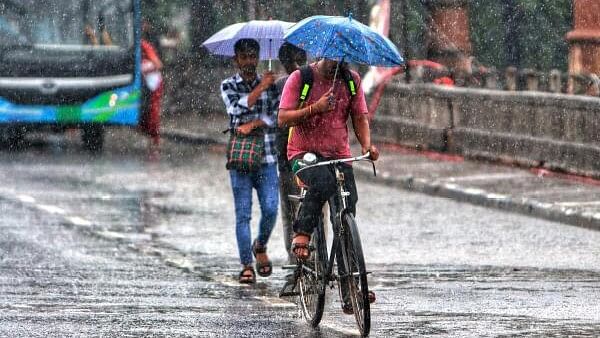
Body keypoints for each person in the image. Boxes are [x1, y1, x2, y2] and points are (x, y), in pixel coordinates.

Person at [278, 58, 379, 313]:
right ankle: (302, 232)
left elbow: (359, 117)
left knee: (346, 211)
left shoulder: (351, 80)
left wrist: (367, 146)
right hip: (303, 154)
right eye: (333, 58)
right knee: (322, 183)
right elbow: (283, 118)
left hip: (339, 154)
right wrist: (315, 108)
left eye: (342, 59)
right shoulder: (301, 79)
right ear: (322, 54)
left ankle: (351, 288)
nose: (337, 64)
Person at [221, 38, 279, 284]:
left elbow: (277, 116)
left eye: (252, 56)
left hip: (267, 157)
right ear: (236, 60)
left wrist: (256, 123)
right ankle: (246, 264)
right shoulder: (228, 85)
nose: (249, 62)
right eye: (244, 57)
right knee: (242, 214)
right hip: (241, 159)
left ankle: (261, 245)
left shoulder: (272, 85)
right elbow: (236, 110)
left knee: (270, 208)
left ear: (257, 58)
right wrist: (259, 89)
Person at [274, 42, 307, 266]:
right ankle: (302, 256)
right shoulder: (314, 81)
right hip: (298, 156)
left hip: (297, 156)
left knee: (296, 211)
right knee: (301, 210)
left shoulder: (282, 85)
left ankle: (297, 257)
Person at [140, 19, 163, 146]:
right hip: (145, 83)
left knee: (153, 110)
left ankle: (155, 138)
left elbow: (158, 64)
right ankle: (151, 135)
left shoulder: (145, 45)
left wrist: (144, 68)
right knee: (147, 110)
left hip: (154, 82)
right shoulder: (140, 44)